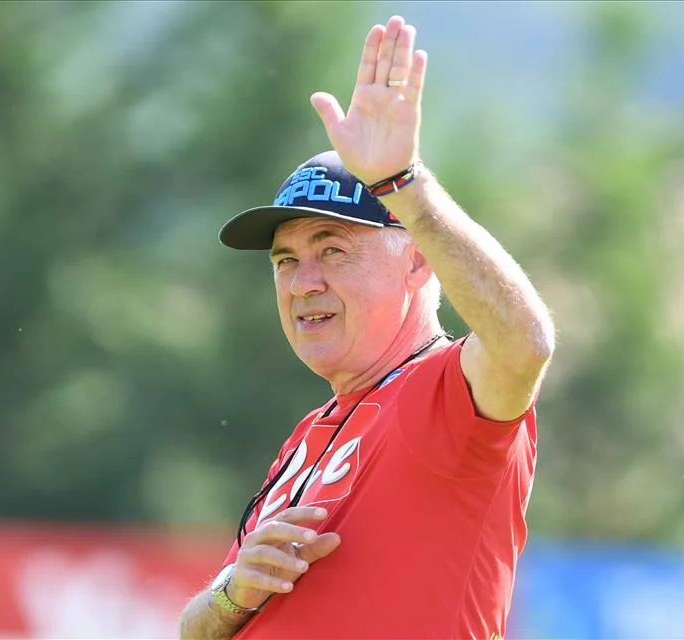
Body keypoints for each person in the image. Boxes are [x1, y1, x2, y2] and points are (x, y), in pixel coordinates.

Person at [179, 14, 555, 640]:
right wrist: (231, 594)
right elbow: (194, 632)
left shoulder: (445, 395)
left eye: (333, 250)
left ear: (417, 262)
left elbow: (525, 343)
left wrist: (401, 183)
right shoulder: (309, 435)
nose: (303, 283)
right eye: (285, 261)